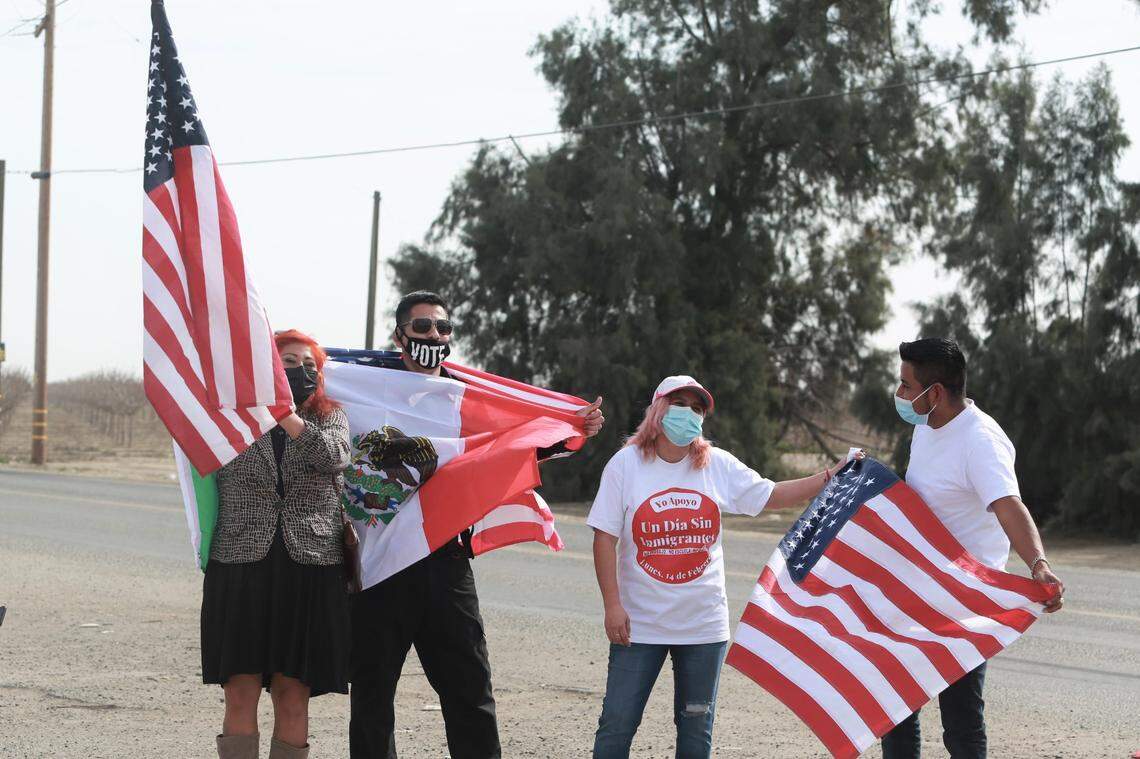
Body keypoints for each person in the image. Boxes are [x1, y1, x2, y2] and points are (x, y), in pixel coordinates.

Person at [349, 290, 605, 759]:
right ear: (399, 335)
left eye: (442, 328)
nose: (434, 335)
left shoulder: (464, 397)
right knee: (372, 694)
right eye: (423, 326)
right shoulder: (366, 389)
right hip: (380, 568)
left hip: (446, 562)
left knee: (470, 690)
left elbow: (511, 440)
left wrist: (569, 429)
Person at [587, 375, 858, 759]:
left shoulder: (714, 464)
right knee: (617, 725)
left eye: (697, 408)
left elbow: (770, 494)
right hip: (639, 626)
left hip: (702, 627)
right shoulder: (626, 465)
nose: (690, 414)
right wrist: (612, 605)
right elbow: (604, 537)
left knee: (696, 733)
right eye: (680, 404)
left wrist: (831, 476)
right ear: (658, 410)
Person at [881, 337, 1065, 759]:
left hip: (962, 604)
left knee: (961, 721)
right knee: (896, 709)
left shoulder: (981, 440)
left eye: (907, 386)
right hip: (914, 591)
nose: (900, 395)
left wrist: (1038, 564)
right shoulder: (925, 426)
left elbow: (1008, 505)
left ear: (936, 392)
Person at [202, 329, 352, 759]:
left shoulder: (331, 417)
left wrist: (285, 414)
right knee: (240, 690)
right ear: (267, 366)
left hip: (310, 567)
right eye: (289, 362)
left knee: (292, 695)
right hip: (240, 564)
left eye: (310, 365)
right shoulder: (231, 416)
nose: (301, 371)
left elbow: (334, 457)